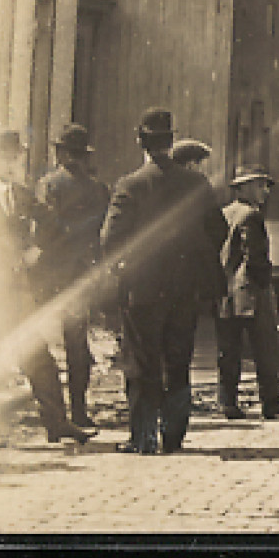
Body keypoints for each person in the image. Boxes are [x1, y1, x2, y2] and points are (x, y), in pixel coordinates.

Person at [99, 108, 228, 455]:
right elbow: (219, 230)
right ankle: (173, 438)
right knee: (178, 362)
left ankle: (143, 438)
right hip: (184, 289)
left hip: (142, 290)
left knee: (141, 363)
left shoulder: (130, 185)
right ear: (171, 142)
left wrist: (133, 266)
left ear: (140, 141)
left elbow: (110, 240)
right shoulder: (195, 184)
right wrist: (191, 261)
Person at [0, 130, 95, 444]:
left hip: (18, 290)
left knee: (38, 356)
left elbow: (52, 224)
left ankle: (57, 423)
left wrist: (37, 248)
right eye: (5, 157)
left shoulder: (22, 195)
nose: (11, 163)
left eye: (15, 157)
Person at [32, 123, 109, 428]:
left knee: (41, 343)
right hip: (82, 275)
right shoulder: (99, 189)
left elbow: (42, 232)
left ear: (61, 153)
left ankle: (54, 411)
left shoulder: (49, 185)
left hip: (51, 276)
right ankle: (79, 409)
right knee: (78, 344)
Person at [215, 166, 279, 420]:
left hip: (225, 290)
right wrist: (265, 283)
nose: (265, 191)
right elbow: (255, 257)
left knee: (228, 349)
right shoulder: (252, 216)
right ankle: (271, 402)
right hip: (251, 290)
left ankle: (227, 402)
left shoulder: (224, 213)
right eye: (260, 185)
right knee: (265, 347)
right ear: (243, 187)